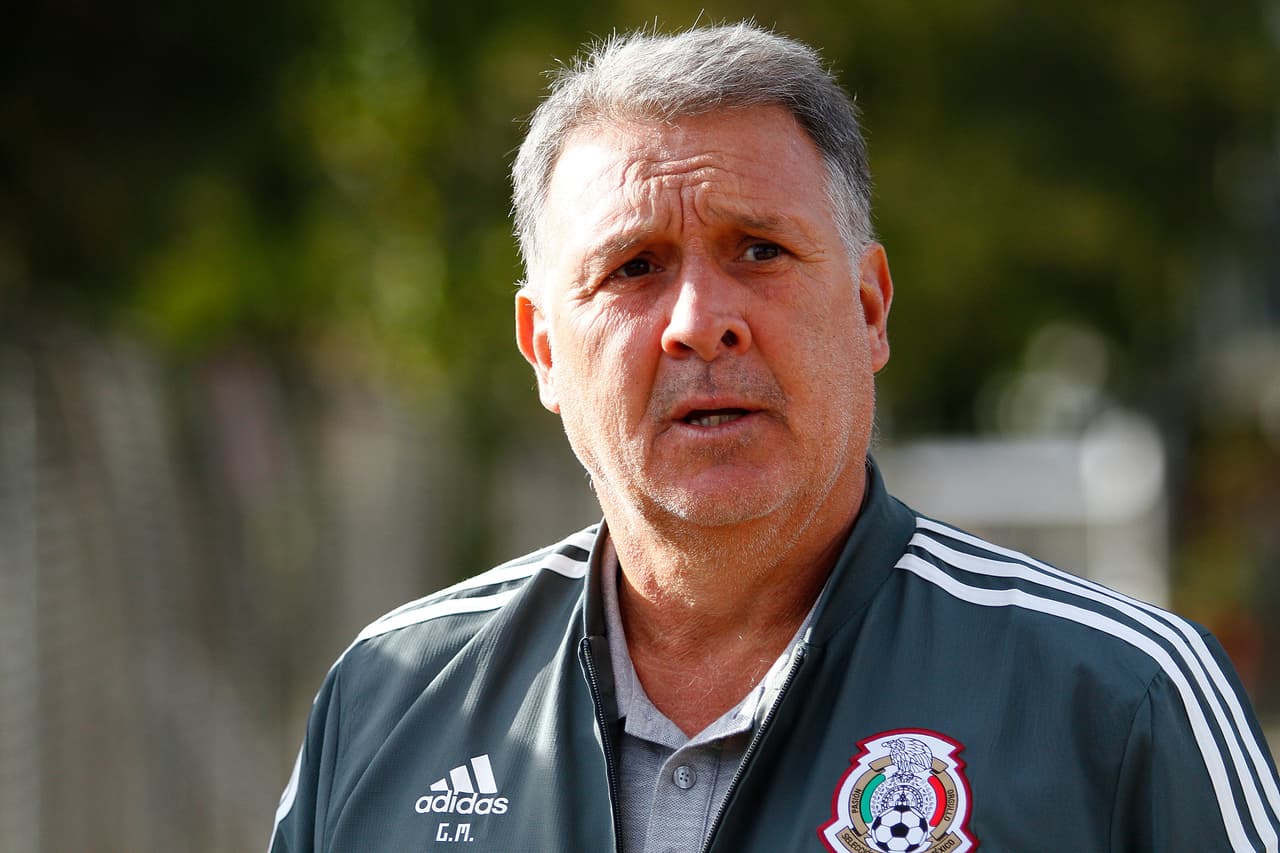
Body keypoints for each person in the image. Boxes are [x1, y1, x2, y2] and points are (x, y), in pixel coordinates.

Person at [268, 23, 1280, 853]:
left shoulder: (1122, 701)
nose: (699, 321)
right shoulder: (389, 698)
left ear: (869, 307)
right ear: (542, 350)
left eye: (759, 249)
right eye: (633, 267)